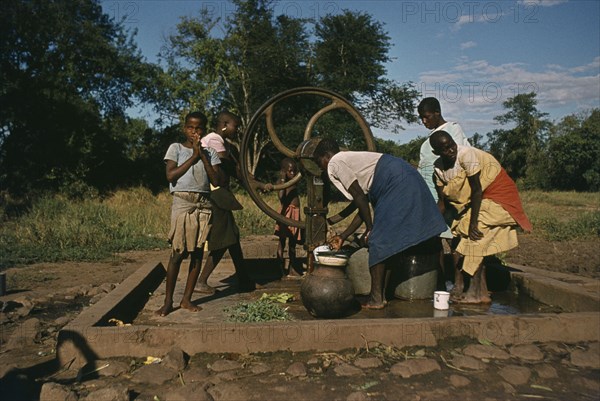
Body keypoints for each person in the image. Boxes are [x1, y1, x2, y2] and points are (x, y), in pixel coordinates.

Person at [313, 139, 447, 309]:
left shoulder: (335, 162)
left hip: (395, 182)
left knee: (378, 240)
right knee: (389, 240)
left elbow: (360, 198)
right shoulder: (354, 160)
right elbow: (363, 205)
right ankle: (393, 293)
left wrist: (371, 228)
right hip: (405, 176)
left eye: (319, 162)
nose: (321, 168)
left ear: (325, 156)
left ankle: (376, 299)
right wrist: (343, 236)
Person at [430, 130, 532, 304]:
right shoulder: (439, 169)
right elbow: (443, 202)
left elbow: (476, 190)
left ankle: (475, 293)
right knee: (464, 234)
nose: (451, 150)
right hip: (482, 200)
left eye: (452, 145)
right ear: (437, 152)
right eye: (445, 149)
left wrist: (473, 222)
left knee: (473, 237)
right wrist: (431, 227)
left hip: (498, 195)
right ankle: (482, 292)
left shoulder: (466, 155)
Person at [156, 111, 223, 317]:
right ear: (185, 128)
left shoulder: (209, 152)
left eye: (199, 128)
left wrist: (202, 156)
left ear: (204, 130)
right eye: (190, 128)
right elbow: (170, 175)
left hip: (202, 204)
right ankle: (168, 301)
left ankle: (186, 299)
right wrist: (193, 157)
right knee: (177, 253)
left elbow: (216, 181)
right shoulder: (175, 148)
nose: (194, 132)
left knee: (196, 254)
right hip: (183, 203)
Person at [196, 111, 256, 294]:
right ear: (224, 124)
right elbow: (228, 166)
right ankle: (201, 281)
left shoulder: (220, 142)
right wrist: (250, 180)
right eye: (234, 126)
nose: (236, 130)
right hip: (215, 195)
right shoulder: (214, 139)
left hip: (220, 194)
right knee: (224, 240)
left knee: (233, 237)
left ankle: (244, 279)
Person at [417, 97, 471, 287]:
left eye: (427, 117)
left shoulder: (452, 130)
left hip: (447, 192)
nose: (424, 121)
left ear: (437, 113)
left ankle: (459, 283)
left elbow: (457, 160)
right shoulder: (432, 136)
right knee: (436, 237)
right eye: (421, 118)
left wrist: (445, 197)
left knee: (454, 236)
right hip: (431, 192)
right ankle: (439, 284)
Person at [274, 158, 304, 279]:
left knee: (293, 243)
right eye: (290, 171)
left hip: (295, 213)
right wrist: (282, 179)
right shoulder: (282, 182)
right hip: (287, 212)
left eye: (295, 171)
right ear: (283, 171)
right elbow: (281, 197)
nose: (293, 174)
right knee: (282, 241)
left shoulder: (293, 181)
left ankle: (292, 268)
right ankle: (280, 268)